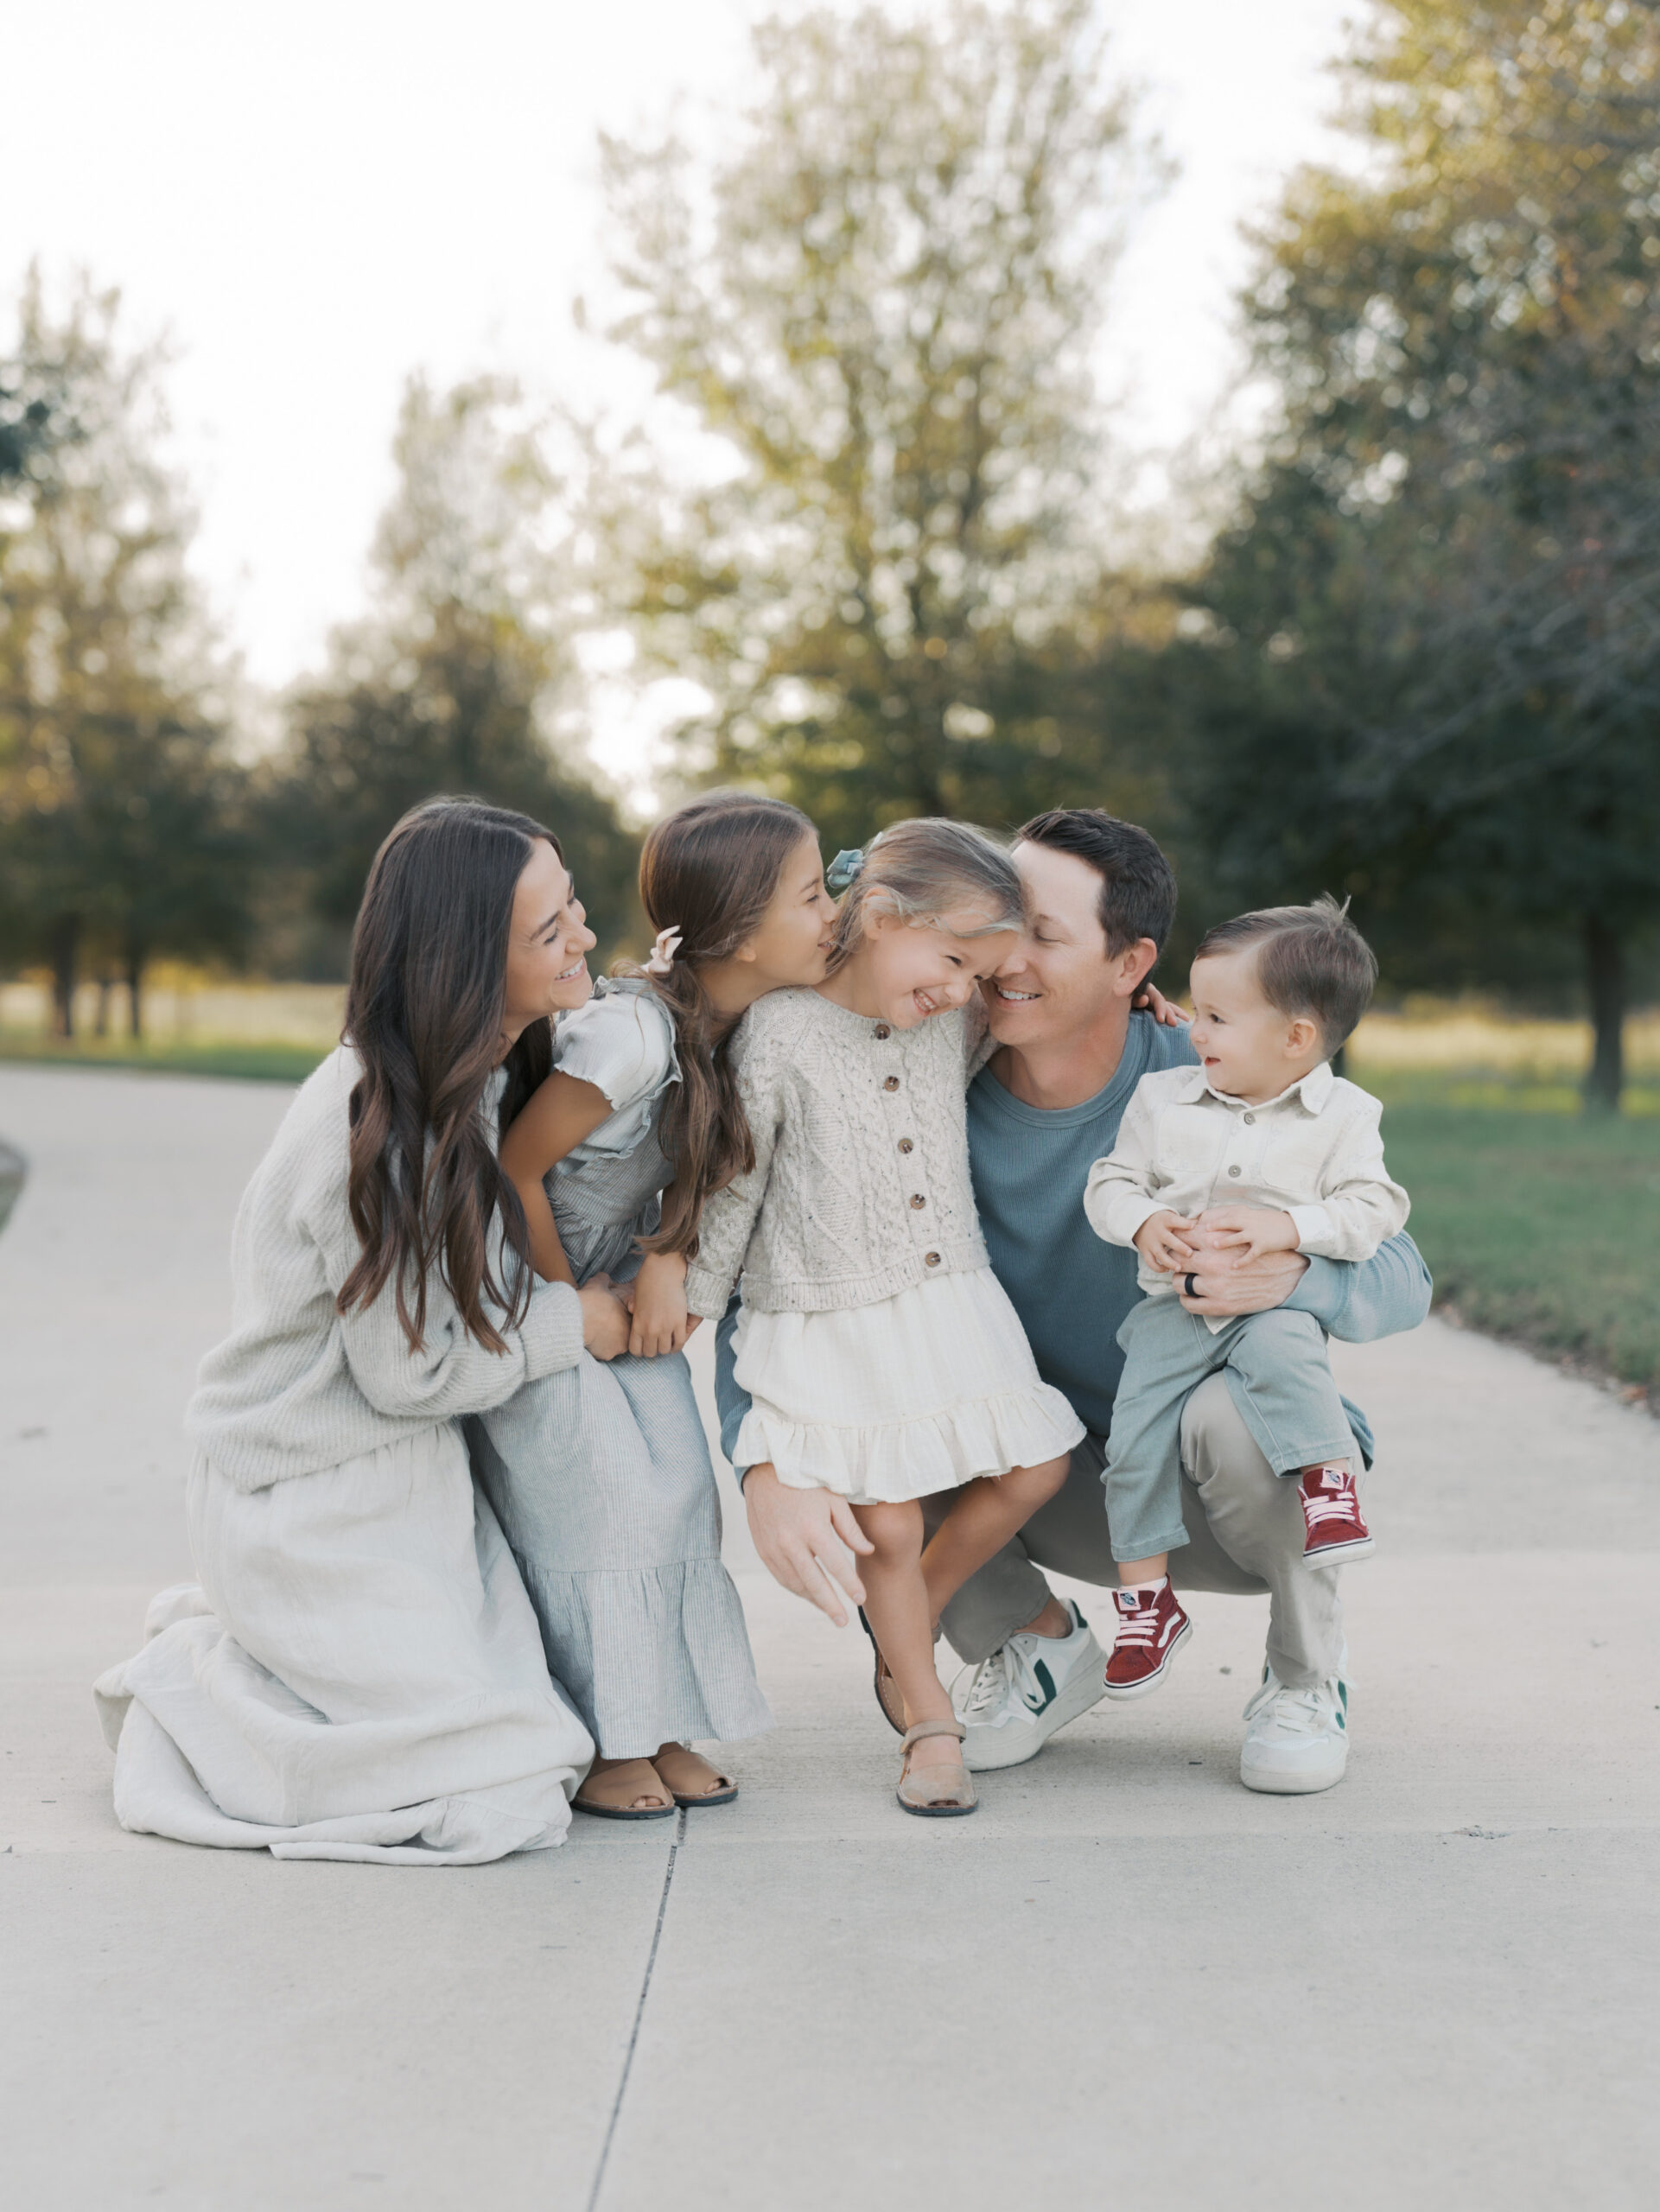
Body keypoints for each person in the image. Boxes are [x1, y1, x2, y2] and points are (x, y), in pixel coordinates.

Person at [718, 809, 1431, 1796]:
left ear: (1131, 962)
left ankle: (1305, 1675)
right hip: (1033, 1476)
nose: (1003, 957)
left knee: (1240, 1410)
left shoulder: (1216, 1079)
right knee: (881, 1402)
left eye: (1042, 935)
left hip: (1210, 1486)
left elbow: (1404, 1274)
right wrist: (761, 1456)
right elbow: (773, 1275)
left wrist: (1293, 1276)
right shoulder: (912, 1079)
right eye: (993, 925)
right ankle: (1035, 1647)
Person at [93, 798, 626, 1864]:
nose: (584, 939)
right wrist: (580, 1325)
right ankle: (194, 1686)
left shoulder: (467, 1080)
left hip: (405, 1483)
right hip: (310, 1497)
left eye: (573, 909)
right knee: (501, 1784)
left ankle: (282, 1659)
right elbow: (409, 1376)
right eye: (548, 930)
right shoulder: (380, 1129)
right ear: (466, 960)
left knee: (528, 1747)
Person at [684, 821, 1084, 1816]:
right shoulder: (779, 1033)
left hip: (949, 1299)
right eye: (952, 961)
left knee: (1037, 1464)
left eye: (976, 973)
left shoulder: (951, 1017)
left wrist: (1141, 1001)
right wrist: (688, 1298)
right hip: (826, 1314)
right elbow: (736, 1186)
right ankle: (928, 1722)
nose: (962, 990)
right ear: (876, 915)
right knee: (889, 1529)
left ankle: (911, 1622)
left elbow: (1031, 1006)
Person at [472, 792, 838, 1818]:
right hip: (537, 1284)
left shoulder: (746, 1016)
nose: (831, 918)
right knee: (596, 1502)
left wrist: (1143, 1008)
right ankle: (599, 1740)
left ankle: (660, 1720)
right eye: (811, 897)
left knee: (678, 1488)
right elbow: (514, 1166)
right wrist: (564, 1305)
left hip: (624, 1289)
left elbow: (914, 963)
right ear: (736, 931)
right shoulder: (633, 1035)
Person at [1084, 896, 1409, 1697]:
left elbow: (1377, 1211)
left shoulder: (1344, 1116)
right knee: (1133, 1442)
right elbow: (1111, 1181)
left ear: (1295, 1038)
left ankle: (1327, 1489)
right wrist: (1144, 1221)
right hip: (1173, 1310)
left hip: (1271, 1308)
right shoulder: (1165, 1098)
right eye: (1197, 1010)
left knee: (1289, 1359)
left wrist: (1290, 1231)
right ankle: (1146, 1604)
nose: (1195, 1031)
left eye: (1219, 1018)